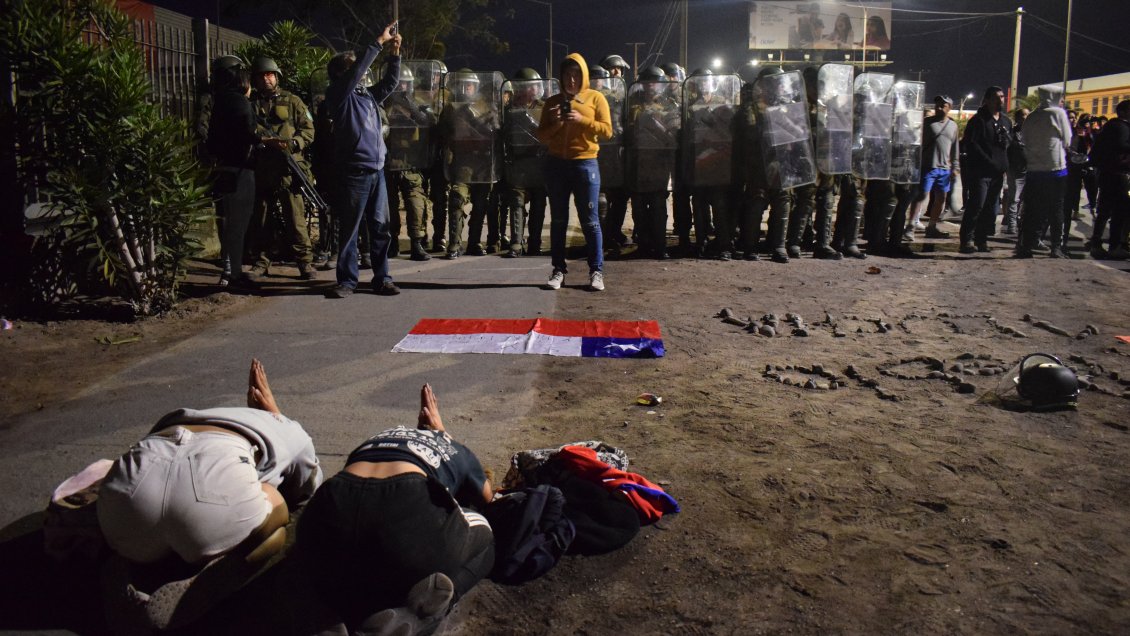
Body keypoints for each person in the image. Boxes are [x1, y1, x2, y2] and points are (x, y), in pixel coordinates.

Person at [294, 383, 494, 634]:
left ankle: (330, 613)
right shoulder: (453, 447)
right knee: (485, 539)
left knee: (343, 554)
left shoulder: (380, 438)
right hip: (405, 501)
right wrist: (445, 436)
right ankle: (421, 615)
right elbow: (487, 495)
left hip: (332, 498)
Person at [97, 359, 322, 566]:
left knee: (143, 529)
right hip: (214, 489)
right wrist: (277, 415)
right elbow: (308, 485)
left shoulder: (193, 416)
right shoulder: (291, 432)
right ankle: (206, 577)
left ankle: (131, 565)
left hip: (146, 462)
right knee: (274, 504)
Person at [323, 24, 403, 298]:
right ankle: (347, 281)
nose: (363, 72)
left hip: (376, 172)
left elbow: (390, 84)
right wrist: (378, 42)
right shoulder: (338, 96)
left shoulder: (365, 95)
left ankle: (382, 278)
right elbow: (357, 71)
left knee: (381, 228)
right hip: (354, 174)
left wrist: (394, 55)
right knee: (351, 229)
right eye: (355, 69)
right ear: (342, 75)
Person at [537, 53, 612, 291]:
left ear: (584, 76)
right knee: (559, 220)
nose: (571, 80)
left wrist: (581, 119)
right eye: (567, 75)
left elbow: (607, 131)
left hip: (585, 163)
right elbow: (541, 136)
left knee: (590, 221)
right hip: (556, 165)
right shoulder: (552, 102)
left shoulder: (596, 98)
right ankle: (558, 270)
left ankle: (596, 271)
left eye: (576, 74)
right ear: (561, 77)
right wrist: (557, 123)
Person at [247, 56, 317, 281]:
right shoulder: (252, 105)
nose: (267, 79)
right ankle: (261, 262)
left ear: (276, 77)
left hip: (289, 168)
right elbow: (246, 131)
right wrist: (262, 140)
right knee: (262, 217)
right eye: (262, 76)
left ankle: (305, 263)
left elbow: (308, 129)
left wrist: (295, 143)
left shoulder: (293, 101)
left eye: (270, 75)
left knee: (295, 217)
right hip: (263, 168)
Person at [207, 64, 263, 288]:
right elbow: (248, 134)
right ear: (243, 83)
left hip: (222, 169)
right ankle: (233, 274)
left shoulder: (218, 103)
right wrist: (262, 141)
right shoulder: (241, 103)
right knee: (238, 225)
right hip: (241, 170)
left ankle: (228, 271)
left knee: (227, 221)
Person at [1015, 87, 1072, 259]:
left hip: (1034, 170)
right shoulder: (1058, 113)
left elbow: (1023, 139)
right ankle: (1056, 247)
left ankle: (1026, 245)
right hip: (1055, 170)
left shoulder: (1032, 115)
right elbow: (1068, 140)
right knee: (1056, 209)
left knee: (1032, 210)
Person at [959, 86, 1011, 254]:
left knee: (990, 209)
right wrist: (989, 162)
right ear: (987, 100)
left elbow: (1007, 145)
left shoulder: (1005, 121)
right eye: (996, 97)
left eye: (1002, 97)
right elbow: (972, 144)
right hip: (981, 172)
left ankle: (982, 240)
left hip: (997, 174)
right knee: (976, 206)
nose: (1000, 100)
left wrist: (1004, 164)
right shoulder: (978, 120)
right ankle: (966, 240)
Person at [915, 95, 961, 240]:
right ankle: (911, 224)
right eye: (937, 105)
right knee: (921, 196)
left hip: (944, 169)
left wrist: (955, 166)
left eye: (943, 105)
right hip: (928, 166)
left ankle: (932, 226)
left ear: (949, 108)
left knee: (941, 198)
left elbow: (955, 148)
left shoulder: (953, 126)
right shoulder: (926, 123)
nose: (939, 108)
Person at [1089, 99, 1130, 259]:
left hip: (1107, 174)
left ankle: (1096, 244)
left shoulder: (1109, 127)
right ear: (1125, 112)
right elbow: (1122, 145)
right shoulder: (1121, 127)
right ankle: (1115, 246)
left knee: (1104, 210)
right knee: (1120, 210)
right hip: (1119, 174)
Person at [1002, 107, 1030, 236]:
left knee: (1026, 200)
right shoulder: (1012, 133)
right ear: (1017, 118)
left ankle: (1021, 222)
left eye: (1027, 115)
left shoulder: (1032, 132)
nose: (1025, 117)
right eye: (1022, 115)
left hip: (1030, 170)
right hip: (1015, 170)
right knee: (1014, 199)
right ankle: (1011, 225)